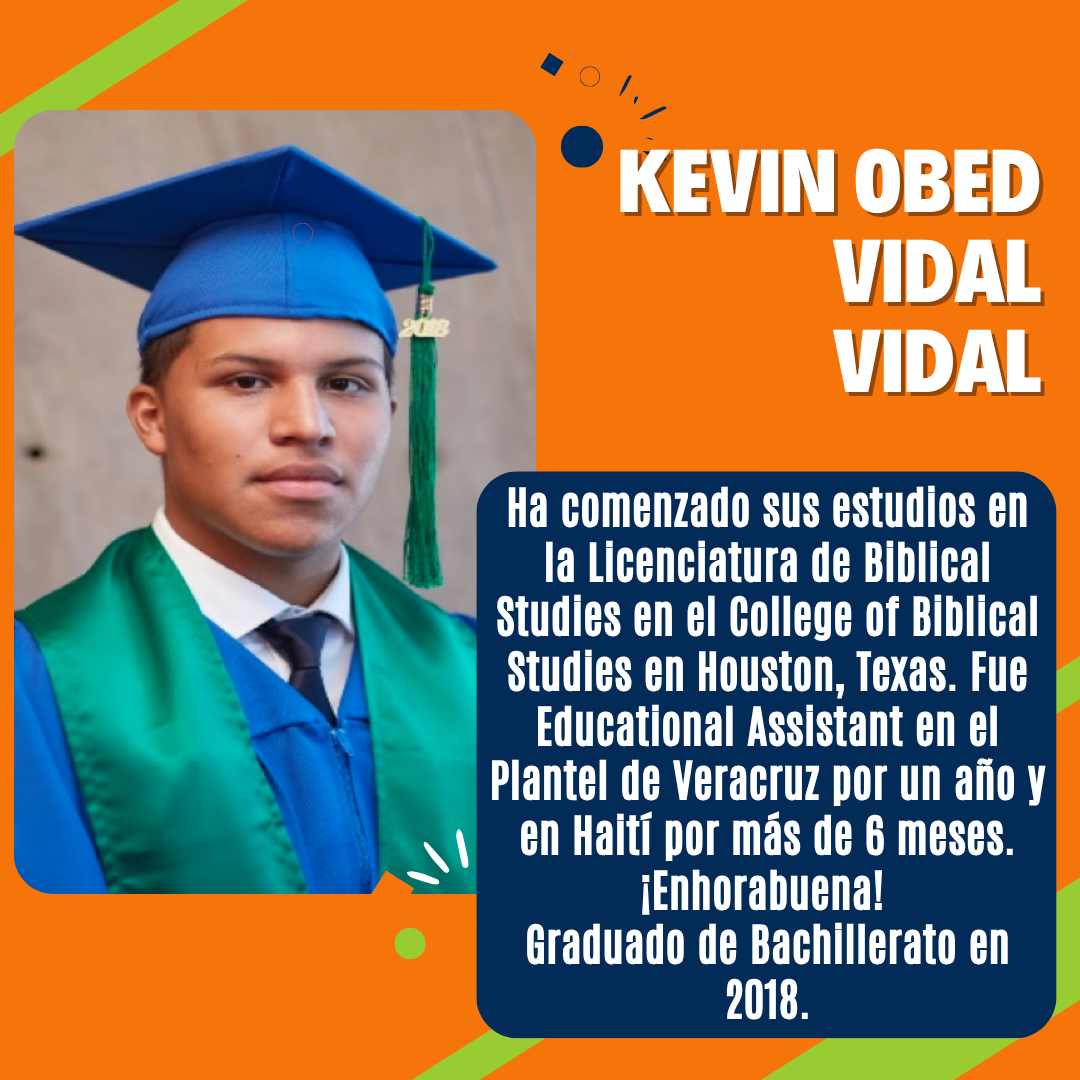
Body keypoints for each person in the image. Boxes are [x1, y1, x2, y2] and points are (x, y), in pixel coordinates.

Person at [13, 145, 495, 894]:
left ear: (394, 415)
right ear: (153, 418)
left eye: (346, 382)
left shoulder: (483, 674)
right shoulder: (38, 685)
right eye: (246, 380)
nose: (307, 424)